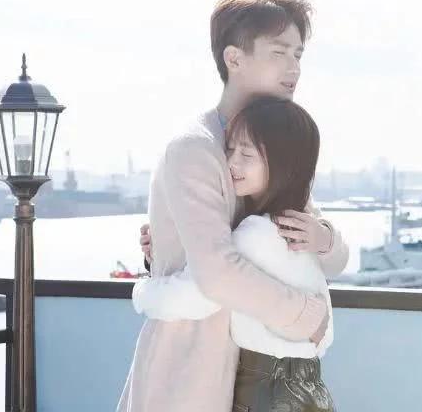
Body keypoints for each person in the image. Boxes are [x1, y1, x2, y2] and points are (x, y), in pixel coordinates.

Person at [117, 0, 349, 412]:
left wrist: (324, 238)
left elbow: (326, 257)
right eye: (279, 52)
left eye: (298, 54)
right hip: (191, 366)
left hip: (256, 377)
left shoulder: (270, 148)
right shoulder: (195, 147)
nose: (294, 67)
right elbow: (217, 273)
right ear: (234, 59)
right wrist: (307, 317)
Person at [135, 97, 336, 411]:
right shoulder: (296, 226)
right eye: (230, 150)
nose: (231, 163)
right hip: (308, 384)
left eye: (247, 154)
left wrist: (142, 291)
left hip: (267, 388)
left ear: (281, 164)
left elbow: (198, 294)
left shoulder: (253, 235)